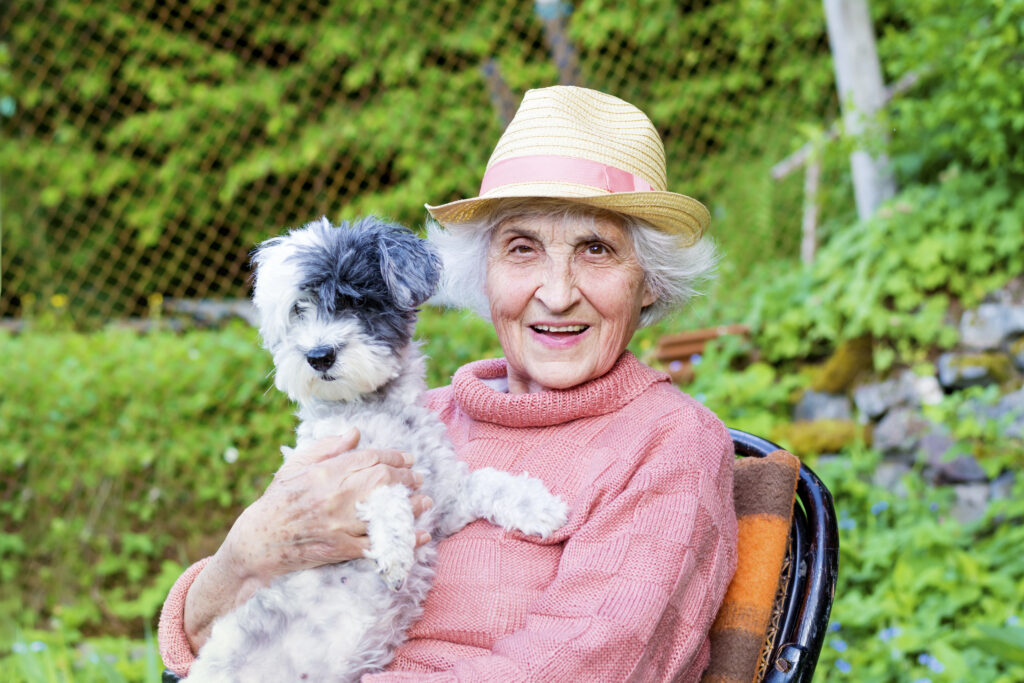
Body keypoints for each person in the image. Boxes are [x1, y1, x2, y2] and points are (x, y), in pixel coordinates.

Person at [159, 85, 738, 681]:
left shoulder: (669, 444)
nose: (559, 292)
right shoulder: (402, 417)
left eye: (596, 249)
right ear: (480, 273)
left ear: (648, 284)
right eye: (522, 248)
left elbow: (589, 662)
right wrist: (241, 558)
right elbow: (202, 640)